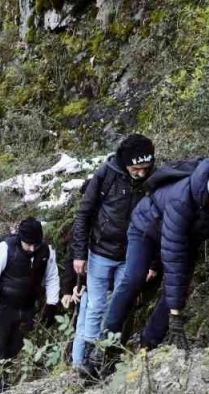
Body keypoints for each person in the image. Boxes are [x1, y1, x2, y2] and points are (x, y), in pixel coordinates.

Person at [94, 158, 209, 360]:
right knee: (134, 278)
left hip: (185, 238)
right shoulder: (182, 198)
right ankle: (105, 346)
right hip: (146, 229)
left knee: (179, 290)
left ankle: (147, 346)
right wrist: (176, 314)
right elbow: (173, 256)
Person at [64, 135, 157, 376]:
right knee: (95, 306)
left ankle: (106, 358)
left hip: (132, 255)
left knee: (120, 305)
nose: (140, 173)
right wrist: (79, 254)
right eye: (136, 169)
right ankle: (84, 361)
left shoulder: (155, 180)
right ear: (125, 163)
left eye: (145, 169)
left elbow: (161, 222)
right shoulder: (106, 174)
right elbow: (84, 213)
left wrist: (152, 262)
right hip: (100, 252)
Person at [0, 217, 60, 394]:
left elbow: (52, 278)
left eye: (35, 244)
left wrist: (51, 305)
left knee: (12, 350)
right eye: (28, 244)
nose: (31, 248)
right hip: (2, 307)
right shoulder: (5, 248)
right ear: (20, 238)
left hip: (26, 309)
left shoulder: (46, 251)